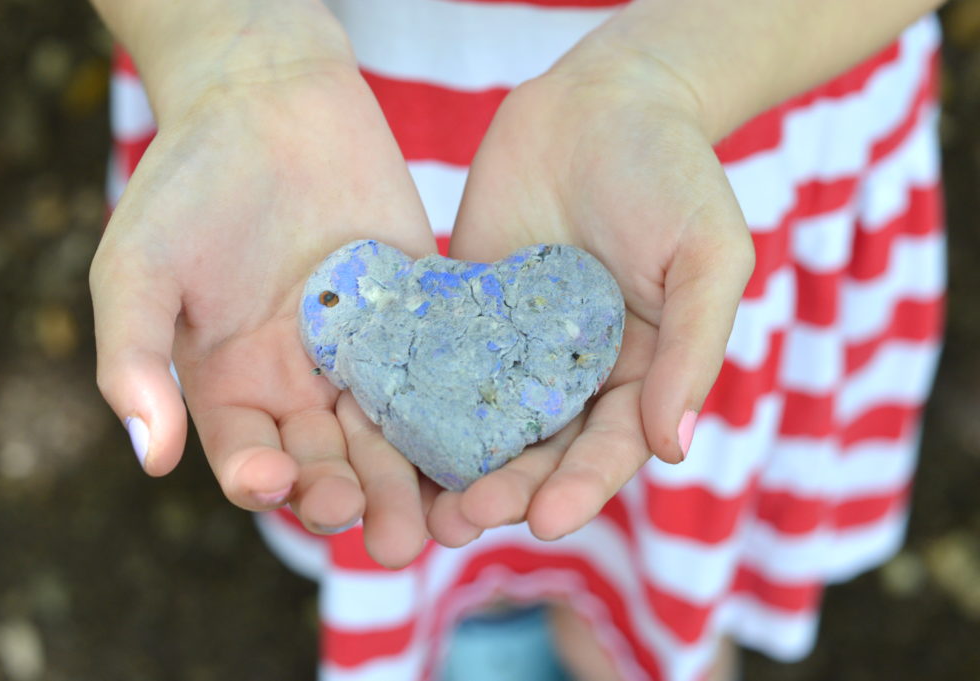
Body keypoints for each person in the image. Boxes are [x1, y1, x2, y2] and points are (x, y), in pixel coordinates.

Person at [88, 1, 947, 679]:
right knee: (421, 505)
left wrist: (666, 75)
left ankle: (626, 636)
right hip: (308, 120)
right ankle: (493, 612)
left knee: (645, 484)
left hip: (742, 69)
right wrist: (225, 48)